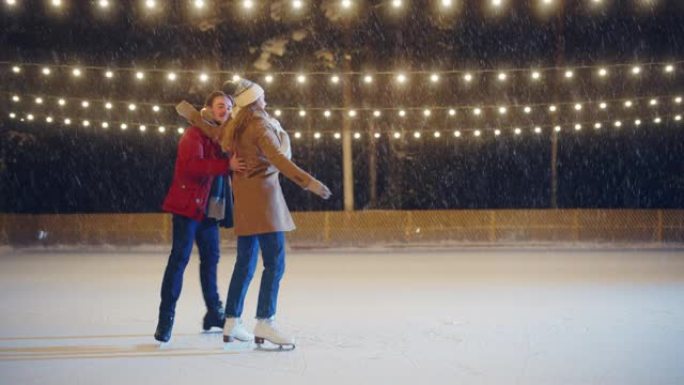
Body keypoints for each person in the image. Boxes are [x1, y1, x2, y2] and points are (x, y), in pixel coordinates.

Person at [220, 79, 331, 349]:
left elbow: (219, 139)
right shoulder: (258, 125)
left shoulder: (235, 126)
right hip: (264, 202)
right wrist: (309, 182)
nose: (265, 102)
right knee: (275, 262)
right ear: (253, 101)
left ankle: (232, 320)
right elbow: (280, 160)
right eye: (262, 98)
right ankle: (265, 321)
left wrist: (198, 116)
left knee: (245, 263)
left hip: (245, 200)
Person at [154, 91, 245, 343]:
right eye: (219, 106)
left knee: (211, 260)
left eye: (228, 106)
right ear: (207, 109)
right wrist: (225, 166)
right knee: (179, 259)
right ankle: (166, 318)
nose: (224, 110)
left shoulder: (224, 138)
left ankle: (214, 312)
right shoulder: (194, 134)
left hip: (210, 211)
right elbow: (191, 167)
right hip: (188, 208)